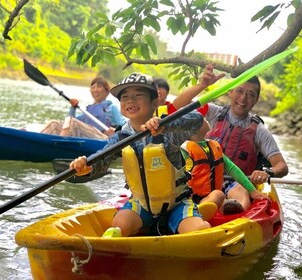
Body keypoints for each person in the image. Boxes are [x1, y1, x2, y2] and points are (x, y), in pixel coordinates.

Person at [69, 72, 218, 237]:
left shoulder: (168, 127)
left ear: (154, 102)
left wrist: (165, 124)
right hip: (141, 204)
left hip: (177, 204)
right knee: (120, 224)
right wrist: (85, 164)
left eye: (138, 95)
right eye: (124, 97)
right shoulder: (121, 136)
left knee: (197, 231)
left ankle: (195, 216)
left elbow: (197, 120)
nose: (130, 101)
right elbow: (102, 158)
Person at [173, 65, 289, 214]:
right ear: (230, 91)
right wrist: (202, 85)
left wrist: (268, 172)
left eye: (250, 94)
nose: (243, 98)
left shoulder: (260, 131)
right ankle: (205, 208)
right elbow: (176, 107)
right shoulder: (211, 112)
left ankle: (232, 208)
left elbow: (281, 166)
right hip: (201, 179)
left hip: (237, 181)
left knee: (240, 189)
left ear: (256, 100)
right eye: (239, 91)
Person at [180, 120, 270, 210]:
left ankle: (230, 209)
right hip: (191, 198)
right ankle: (198, 212)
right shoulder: (184, 150)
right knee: (218, 195)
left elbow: (232, 169)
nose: (205, 119)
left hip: (212, 197)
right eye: (201, 119)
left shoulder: (212, 147)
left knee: (219, 196)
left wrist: (252, 191)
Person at [40, 77, 126, 139]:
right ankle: (38, 141)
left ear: (107, 91)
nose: (95, 90)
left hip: (104, 138)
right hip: (87, 136)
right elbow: (69, 122)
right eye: (93, 87)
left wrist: (115, 131)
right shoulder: (88, 111)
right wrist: (72, 108)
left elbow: (124, 126)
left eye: (99, 87)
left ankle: (58, 144)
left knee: (72, 121)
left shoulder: (112, 108)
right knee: (53, 124)